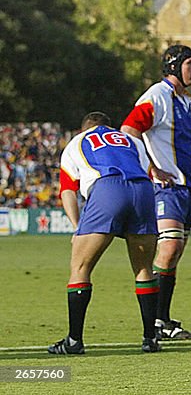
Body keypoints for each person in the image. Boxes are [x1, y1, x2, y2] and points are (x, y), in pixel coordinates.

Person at [48, 112, 171, 355]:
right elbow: (148, 169)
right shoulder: (130, 140)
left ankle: (74, 341)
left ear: (84, 128)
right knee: (144, 268)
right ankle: (150, 339)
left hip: (107, 187)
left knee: (80, 267)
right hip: (143, 190)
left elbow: (68, 191)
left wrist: (77, 227)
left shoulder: (77, 142)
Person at [121, 44, 191, 341]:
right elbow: (129, 129)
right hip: (164, 187)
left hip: (187, 185)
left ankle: (163, 319)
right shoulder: (158, 95)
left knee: (176, 251)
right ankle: (156, 319)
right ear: (174, 66)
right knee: (168, 248)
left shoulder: (186, 101)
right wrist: (151, 169)